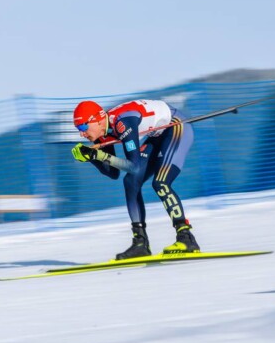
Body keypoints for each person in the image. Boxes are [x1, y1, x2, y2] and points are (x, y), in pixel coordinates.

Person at [71, 99, 200, 260]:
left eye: (83, 127)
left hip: (175, 126)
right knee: (130, 182)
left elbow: (134, 166)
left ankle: (186, 237)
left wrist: (99, 155)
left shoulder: (123, 123)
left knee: (160, 182)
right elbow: (113, 173)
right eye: (78, 129)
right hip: (158, 135)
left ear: (97, 120)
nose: (81, 134)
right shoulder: (102, 132)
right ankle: (140, 243)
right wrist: (91, 157)